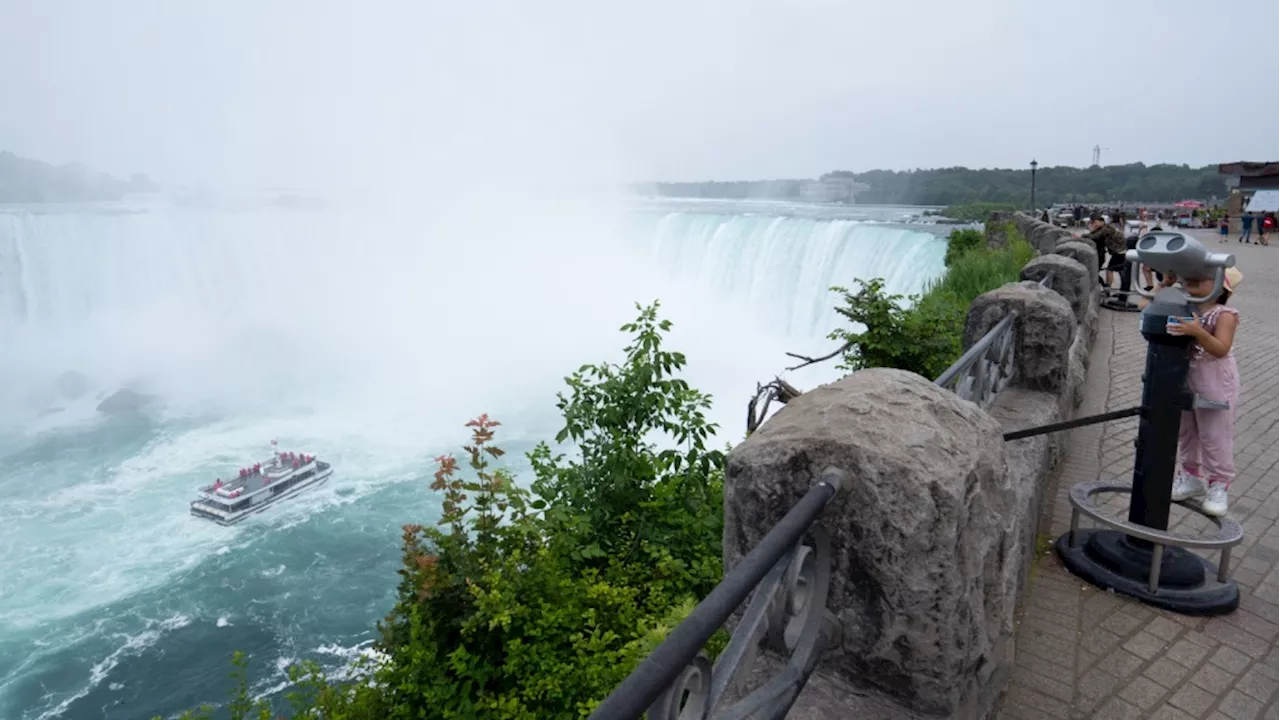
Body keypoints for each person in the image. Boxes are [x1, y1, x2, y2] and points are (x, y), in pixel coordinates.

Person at [1168, 267, 1243, 517]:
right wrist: (1165, 284)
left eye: (1203, 276)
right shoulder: (1186, 306)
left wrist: (1198, 332)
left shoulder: (1224, 315)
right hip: (1187, 377)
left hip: (1215, 380)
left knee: (1214, 434)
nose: (1192, 278)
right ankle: (1191, 476)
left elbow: (1221, 348)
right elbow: (1147, 307)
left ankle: (1219, 484)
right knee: (1188, 431)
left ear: (1222, 286)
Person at [1083, 213, 1126, 288]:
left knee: (1110, 269)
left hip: (1119, 251)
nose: (1094, 224)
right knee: (1118, 270)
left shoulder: (1107, 229)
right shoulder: (1105, 228)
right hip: (1119, 251)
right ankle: (1114, 286)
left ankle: (1107, 286)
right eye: (1093, 223)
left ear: (1101, 221)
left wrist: (1084, 235)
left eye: (1095, 222)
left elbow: (1095, 236)